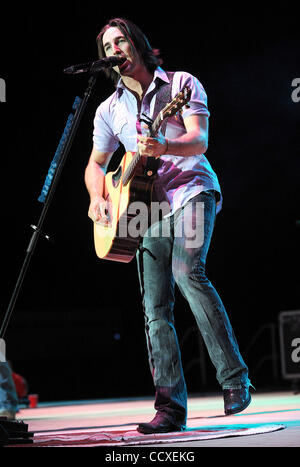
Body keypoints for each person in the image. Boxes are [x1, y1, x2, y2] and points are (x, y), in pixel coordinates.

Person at [85, 17, 253, 434]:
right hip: (147, 207)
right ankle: (170, 409)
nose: (115, 49)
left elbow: (199, 140)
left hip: (192, 190)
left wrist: (165, 146)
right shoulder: (108, 109)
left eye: (121, 40)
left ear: (137, 44)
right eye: (107, 45)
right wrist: (97, 196)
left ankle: (234, 380)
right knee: (154, 305)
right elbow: (96, 165)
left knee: (186, 271)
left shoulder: (181, 84)